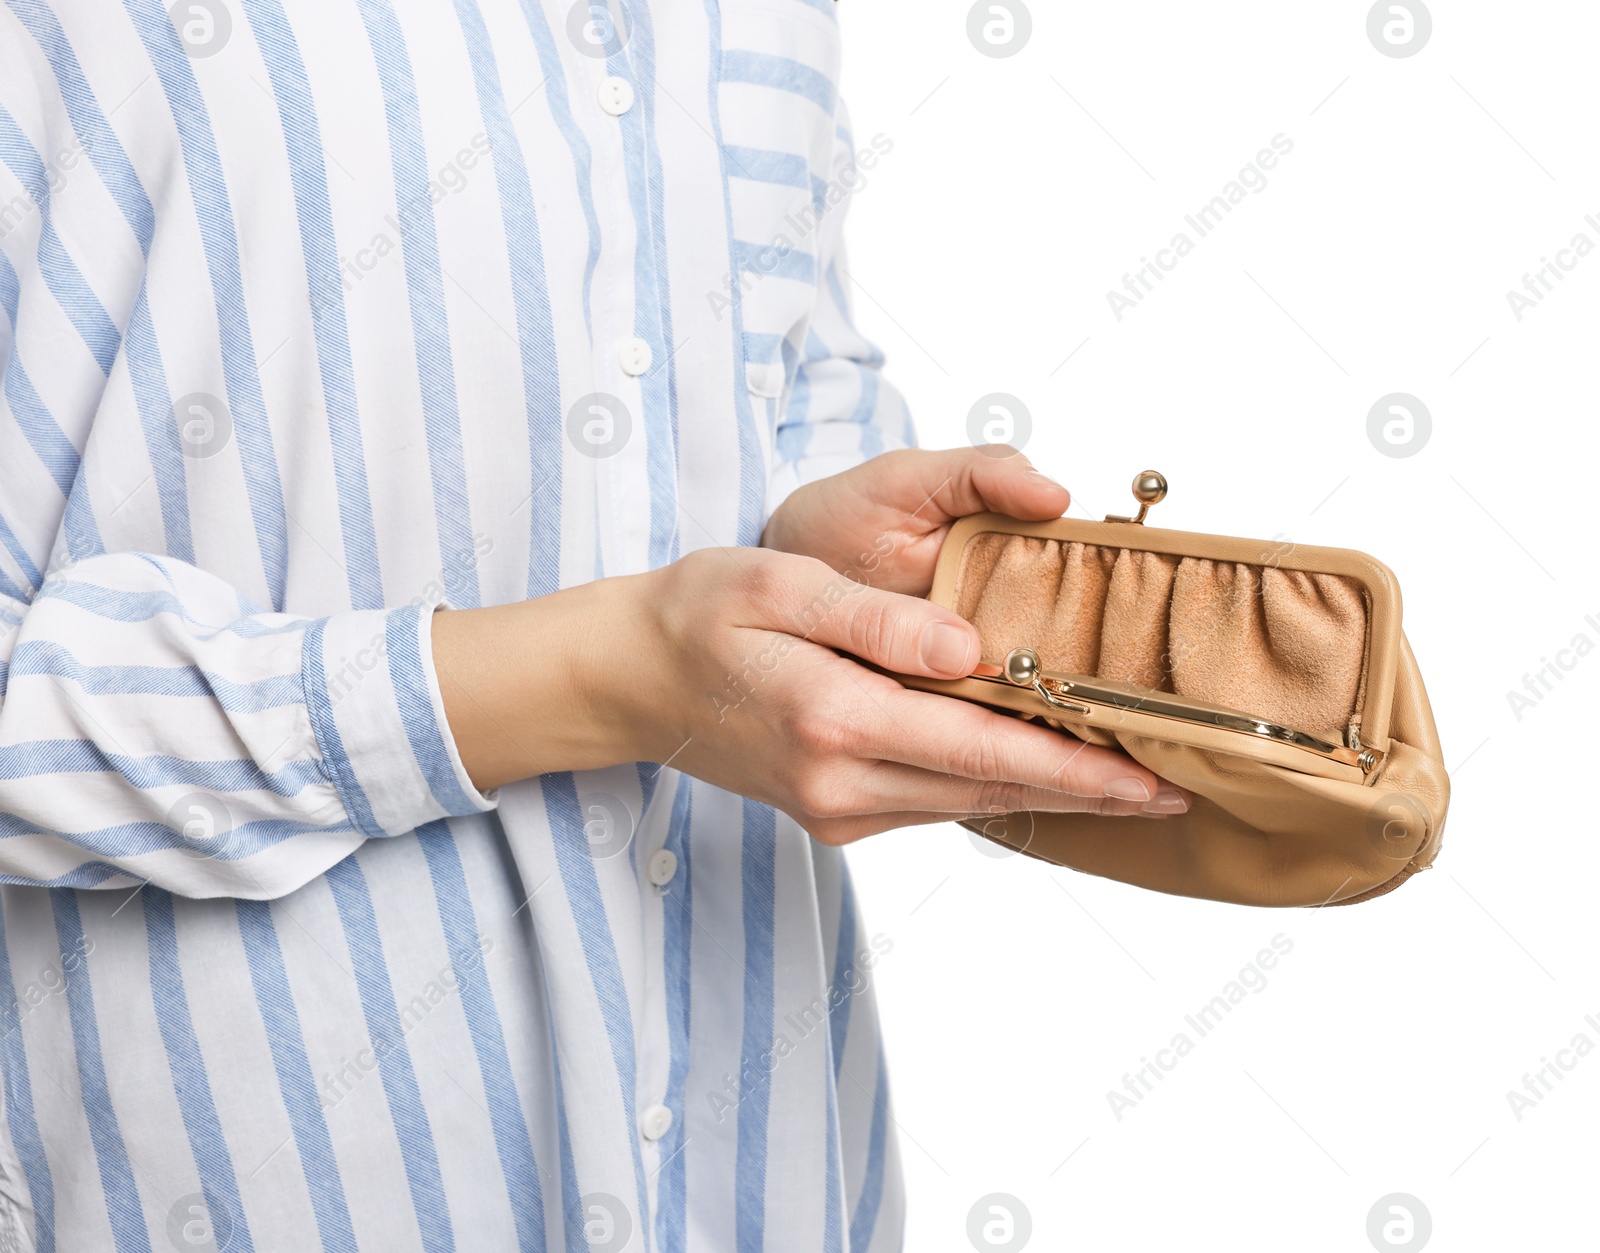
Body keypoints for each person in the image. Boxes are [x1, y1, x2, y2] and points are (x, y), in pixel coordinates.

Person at [0, 1, 1186, 1248]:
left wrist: (821, 573)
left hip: (770, 1162)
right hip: (244, 1174)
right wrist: (602, 676)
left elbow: (788, 391)